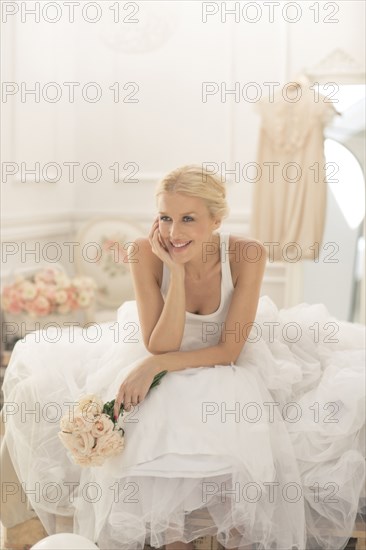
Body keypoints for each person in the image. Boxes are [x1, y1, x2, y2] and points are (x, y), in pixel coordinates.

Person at [2, 165, 365, 550]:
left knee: (230, 402)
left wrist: (155, 366)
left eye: (188, 219)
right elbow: (160, 343)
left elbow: (228, 352)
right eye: (165, 218)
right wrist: (174, 272)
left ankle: (233, 532)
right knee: (144, 405)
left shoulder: (246, 254)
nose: (173, 232)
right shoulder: (144, 252)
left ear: (216, 220)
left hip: (228, 356)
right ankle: (171, 539)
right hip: (163, 346)